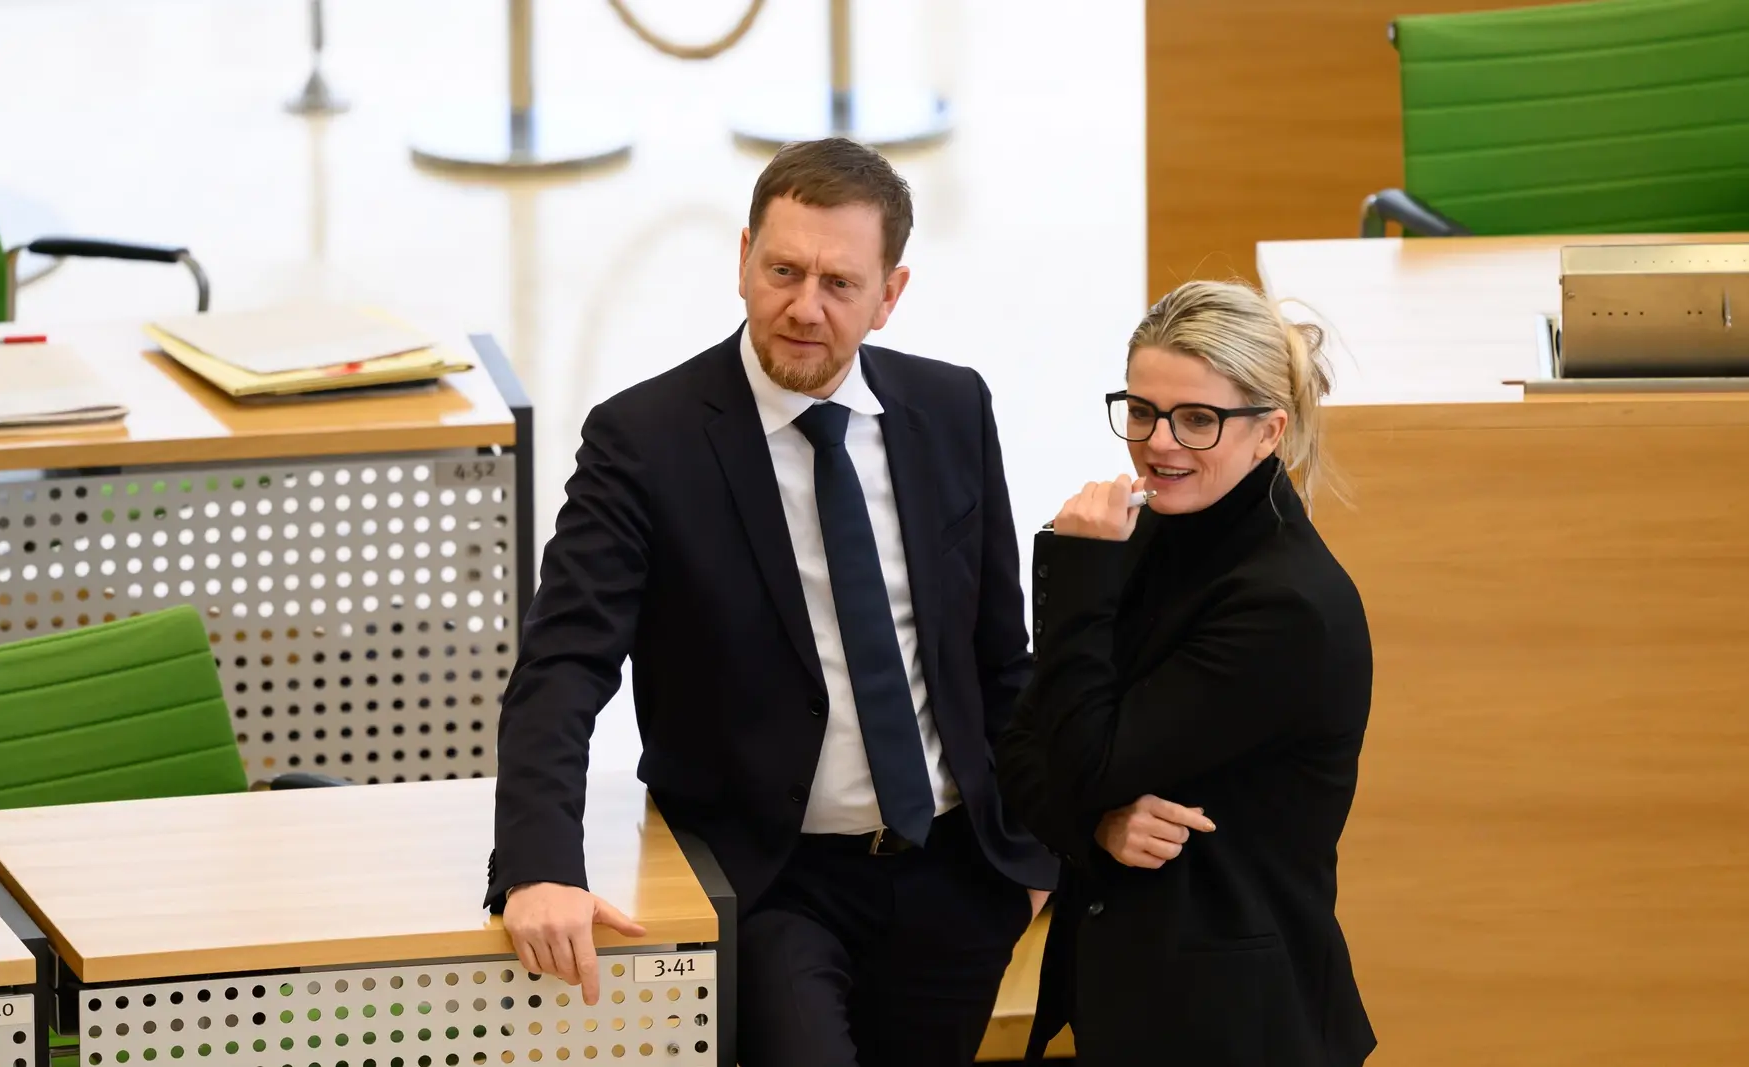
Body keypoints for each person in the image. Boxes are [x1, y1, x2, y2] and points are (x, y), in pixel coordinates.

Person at [485, 136, 1057, 1067]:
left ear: (891, 294)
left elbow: (1002, 657)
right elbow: (562, 667)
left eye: (839, 283)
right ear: (742, 256)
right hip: (770, 877)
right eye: (782, 269)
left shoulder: (952, 407)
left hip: (954, 870)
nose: (803, 307)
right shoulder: (645, 440)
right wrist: (541, 863)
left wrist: (1036, 847)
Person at [995, 281, 1377, 1066]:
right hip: (1138, 997)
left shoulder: (1285, 605)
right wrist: (1098, 826)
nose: (1158, 442)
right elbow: (1020, 751)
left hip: (1235, 1020)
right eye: (1141, 411)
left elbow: (1083, 758)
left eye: (1197, 419)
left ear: (1269, 431)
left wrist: (1076, 573)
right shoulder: (1149, 532)